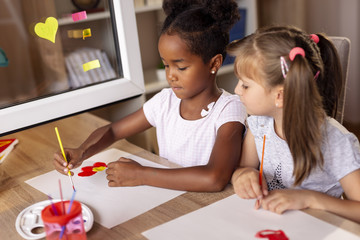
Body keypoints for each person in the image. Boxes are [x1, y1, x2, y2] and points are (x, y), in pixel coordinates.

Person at [53, 0, 246, 192]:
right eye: (166, 65)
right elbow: (113, 131)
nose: (171, 75)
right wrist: (82, 151)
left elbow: (215, 178)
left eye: (181, 67)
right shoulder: (165, 101)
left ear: (214, 64)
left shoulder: (229, 109)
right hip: (168, 199)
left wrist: (141, 175)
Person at [228, 25, 360, 222]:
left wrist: (309, 198)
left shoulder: (336, 142)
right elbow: (243, 168)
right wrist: (243, 176)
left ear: (280, 95)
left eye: (245, 85)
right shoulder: (259, 123)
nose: (237, 90)